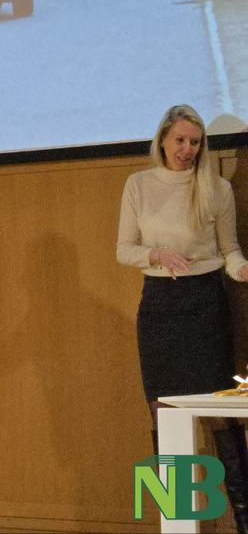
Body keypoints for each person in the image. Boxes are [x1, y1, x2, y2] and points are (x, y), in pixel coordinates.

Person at [117, 104, 248, 532]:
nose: (187, 149)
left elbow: (229, 251)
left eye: (195, 142)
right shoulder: (138, 184)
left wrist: (241, 269)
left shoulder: (217, 188)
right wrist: (156, 254)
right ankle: (174, 519)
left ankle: (245, 519)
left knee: (223, 416)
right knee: (161, 413)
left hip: (206, 305)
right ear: (162, 140)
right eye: (180, 140)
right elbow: (124, 250)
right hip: (159, 307)